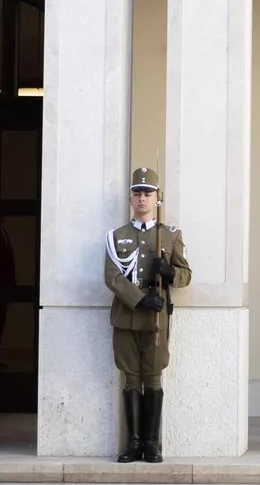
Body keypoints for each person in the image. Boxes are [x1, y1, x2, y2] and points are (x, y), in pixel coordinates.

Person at [103, 167, 192, 463]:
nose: (142, 198)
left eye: (148, 193)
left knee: (153, 379)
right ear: (130, 198)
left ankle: (152, 444)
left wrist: (168, 273)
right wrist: (141, 300)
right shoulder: (116, 237)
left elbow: (185, 275)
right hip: (127, 316)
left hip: (157, 322)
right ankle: (134, 443)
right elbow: (112, 277)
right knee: (130, 379)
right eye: (137, 193)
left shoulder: (169, 235)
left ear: (157, 199)